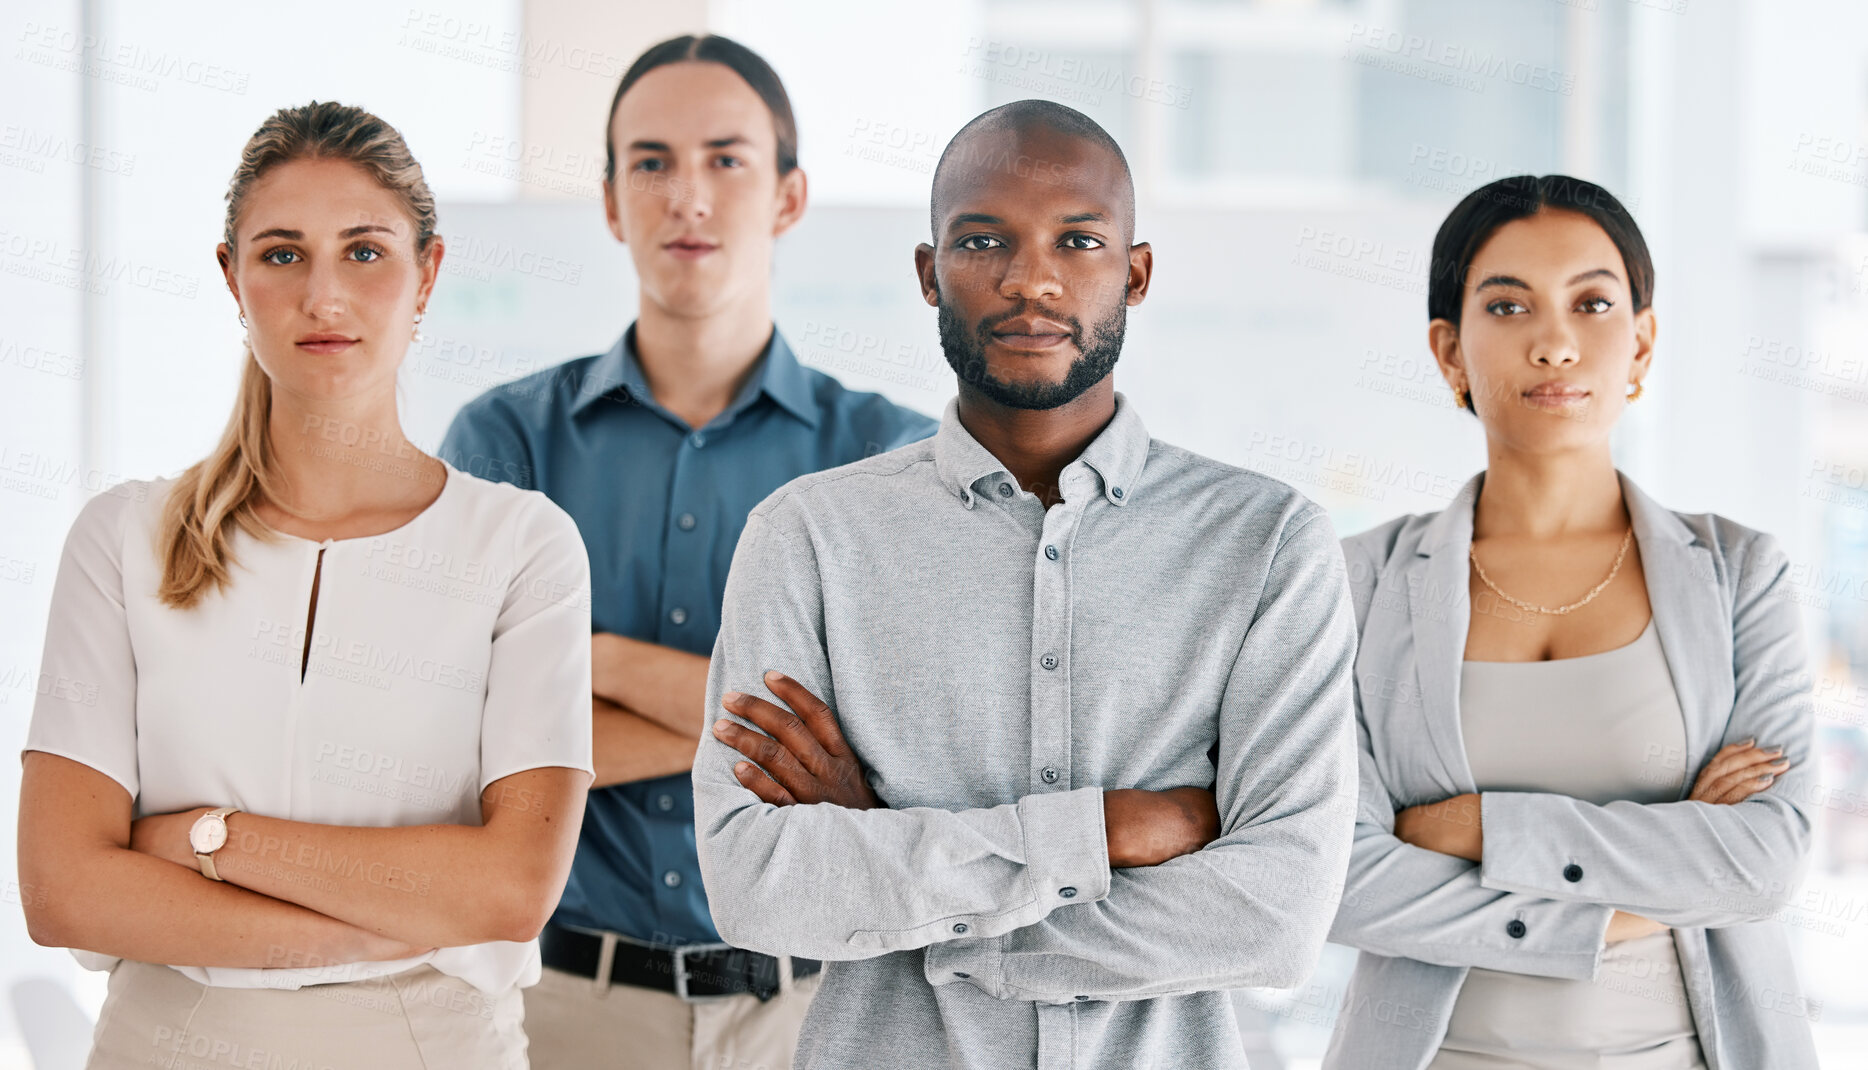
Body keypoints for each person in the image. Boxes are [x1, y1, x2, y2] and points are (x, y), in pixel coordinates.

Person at [692, 99, 1358, 1070]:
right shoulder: (809, 536)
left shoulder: (1265, 542)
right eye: (981, 240)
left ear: (1134, 273)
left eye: (1077, 240)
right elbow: (759, 885)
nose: (1029, 278)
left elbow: (1272, 914)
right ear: (929, 274)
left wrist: (898, 860)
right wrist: (1100, 831)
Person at [16, 101, 593, 1069]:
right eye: (282, 254)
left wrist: (200, 837)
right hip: (165, 1042)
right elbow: (64, 890)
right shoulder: (123, 538)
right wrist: (373, 924)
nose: (323, 295)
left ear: (428, 273)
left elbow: (506, 889)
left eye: (364, 252)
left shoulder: (520, 544)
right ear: (231, 277)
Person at [438, 35, 937, 1070]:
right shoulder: (508, 441)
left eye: (726, 158)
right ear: (613, 201)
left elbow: (908, 750)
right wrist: (789, 723)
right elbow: (471, 744)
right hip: (562, 1008)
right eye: (652, 162)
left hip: (818, 1015)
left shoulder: (887, 455)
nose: (688, 195)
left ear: (789, 196)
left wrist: (594, 662)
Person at [1325, 174, 1819, 1069]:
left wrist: (1487, 829)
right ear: (1449, 351)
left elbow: (1765, 860)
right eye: (1508, 306)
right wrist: (1651, 893)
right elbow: (1341, 881)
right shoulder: (1359, 585)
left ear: (1640, 346)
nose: (1555, 343)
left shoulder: (1743, 574)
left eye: (1593, 303)